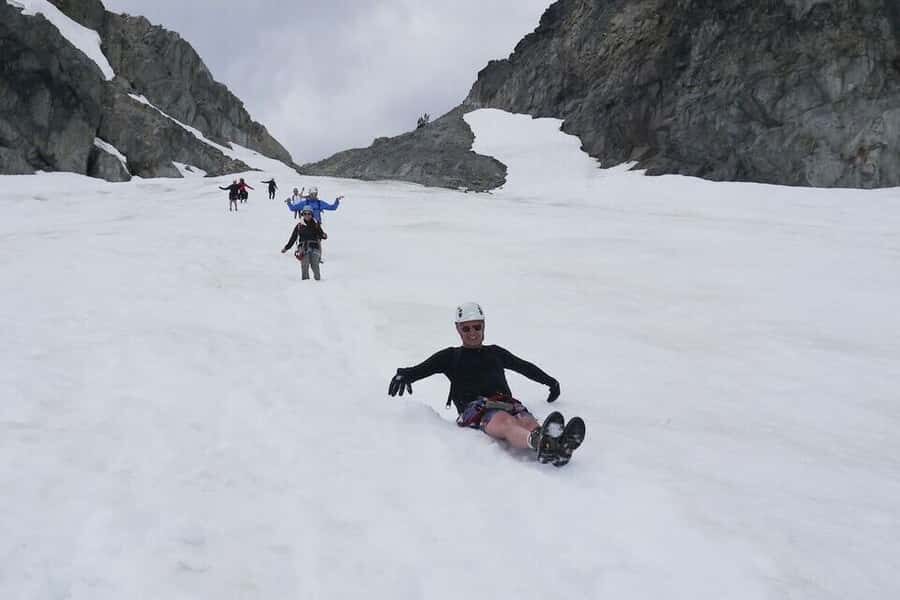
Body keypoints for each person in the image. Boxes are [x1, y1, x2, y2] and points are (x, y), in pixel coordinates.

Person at [388, 303, 584, 465]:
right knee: (505, 421)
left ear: (483, 326)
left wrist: (550, 382)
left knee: (526, 421)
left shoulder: (495, 352)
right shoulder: (450, 357)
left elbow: (524, 367)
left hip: (508, 403)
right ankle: (542, 442)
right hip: (477, 409)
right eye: (466, 328)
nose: (472, 333)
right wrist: (403, 375)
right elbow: (420, 369)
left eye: (477, 327)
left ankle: (555, 444)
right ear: (458, 330)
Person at [280, 205, 328, 280]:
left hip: (315, 247)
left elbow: (321, 234)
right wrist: (286, 248)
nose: (307, 215)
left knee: (315, 266)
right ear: (302, 214)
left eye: (309, 214)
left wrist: (324, 236)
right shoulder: (299, 225)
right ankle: (305, 284)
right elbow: (293, 238)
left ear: (312, 214)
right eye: (305, 214)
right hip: (303, 248)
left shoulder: (316, 224)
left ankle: (318, 282)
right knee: (305, 265)